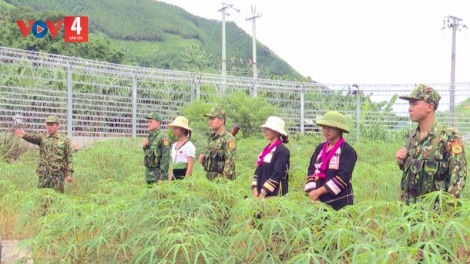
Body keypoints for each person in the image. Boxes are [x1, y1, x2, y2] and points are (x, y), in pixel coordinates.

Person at [395, 84, 467, 205]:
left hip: (435, 215)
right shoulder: (411, 136)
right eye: (409, 104)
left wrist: (447, 212)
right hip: (410, 213)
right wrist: (402, 162)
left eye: (414, 103)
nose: (409, 108)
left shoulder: (449, 137)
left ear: (430, 106)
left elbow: (458, 177)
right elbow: (414, 172)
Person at [304, 111, 357, 210]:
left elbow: (343, 177)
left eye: (330, 127)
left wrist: (319, 191)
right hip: (316, 202)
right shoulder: (319, 148)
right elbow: (311, 171)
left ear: (339, 129)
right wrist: (313, 194)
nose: (326, 130)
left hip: (339, 203)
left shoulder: (348, 151)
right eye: (323, 127)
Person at [14, 115, 73, 193]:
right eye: (48, 125)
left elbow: (69, 157)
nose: (49, 127)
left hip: (57, 176)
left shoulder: (64, 140)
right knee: (42, 198)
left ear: (57, 125)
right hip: (44, 175)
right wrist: (24, 135)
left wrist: (69, 174)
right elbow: (33, 137)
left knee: (57, 198)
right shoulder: (43, 138)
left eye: (52, 125)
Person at [251, 116, 290, 198]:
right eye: (265, 129)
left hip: (274, 194)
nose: (265, 131)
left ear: (276, 131)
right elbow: (258, 169)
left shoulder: (282, 151)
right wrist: (255, 188)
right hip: (260, 192)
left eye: (268, 129)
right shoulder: (266, 149)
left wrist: (264, 191)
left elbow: (278, 173)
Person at [197, 107, 236, 180]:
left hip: (222, 183)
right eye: (209, 119)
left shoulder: (228, 139)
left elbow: (230, 164)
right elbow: (211, 162)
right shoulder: (211, 138)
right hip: (209, 180)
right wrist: (203, 159)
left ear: (221, 120)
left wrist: (222, 182)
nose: (209, 122)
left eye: (212, 119)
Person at [142, 112, 170, 185]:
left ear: (158, 123)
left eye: (151, 122)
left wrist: (163, 178)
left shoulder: (163, 138)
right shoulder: (150, 137)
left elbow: (165, 158)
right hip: (149, 176)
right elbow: (149, 157)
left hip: (158, 177)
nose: (148, 124)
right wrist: (145, 147)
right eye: (148, 122)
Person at [167, 116, 196, 181]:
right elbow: (173, 164)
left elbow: (190, 165)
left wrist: (185, 181)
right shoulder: (174, 145)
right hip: (174, 177)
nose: (174, 130)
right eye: (174, 128)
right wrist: (169, 181)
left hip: (183, 176)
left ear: (183, 129)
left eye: (176, 128)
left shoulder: (189, 145)